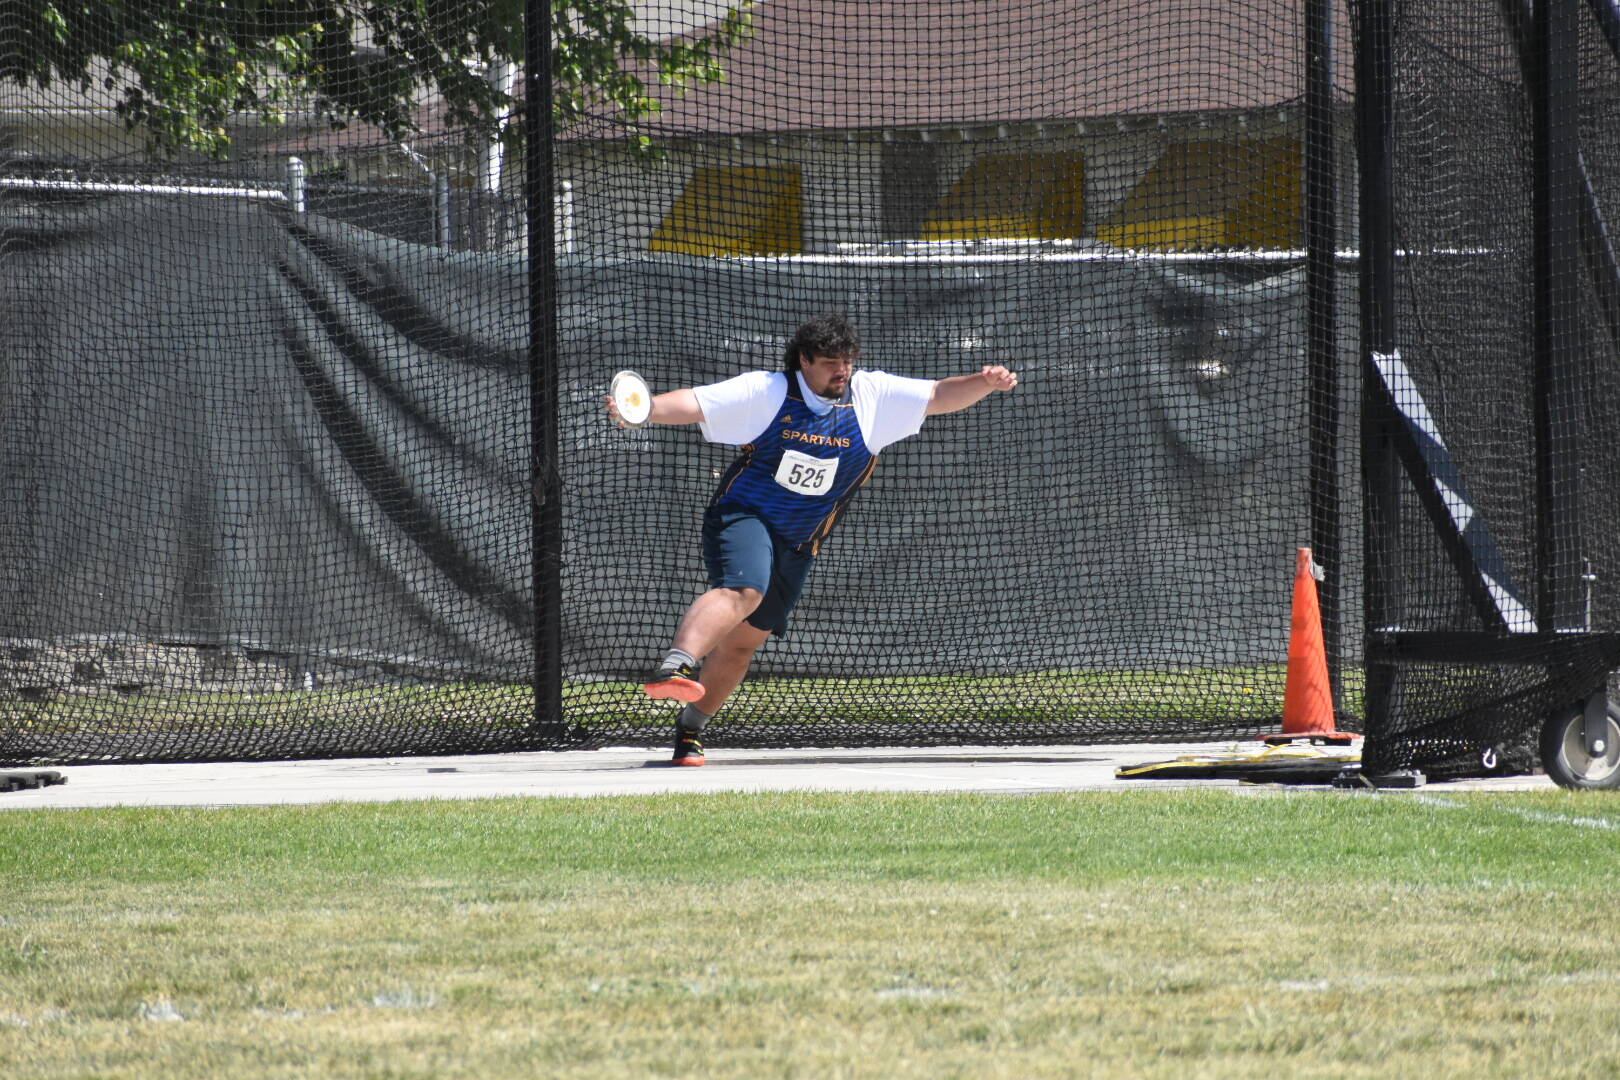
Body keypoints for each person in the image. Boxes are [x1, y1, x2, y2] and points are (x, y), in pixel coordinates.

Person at [604, 312, 1018, 766]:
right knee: (744, 588)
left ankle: (690, 729)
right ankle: (677, 664)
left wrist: (983, 382)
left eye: (848, 361)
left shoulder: (869, 396)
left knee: (743, 644)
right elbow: (698, 404)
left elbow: (937, 394)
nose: (842, 371)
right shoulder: (767, 391)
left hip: (799, 541)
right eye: (830, 363)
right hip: (745, 515)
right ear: (804, 361)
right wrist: (642, 409)